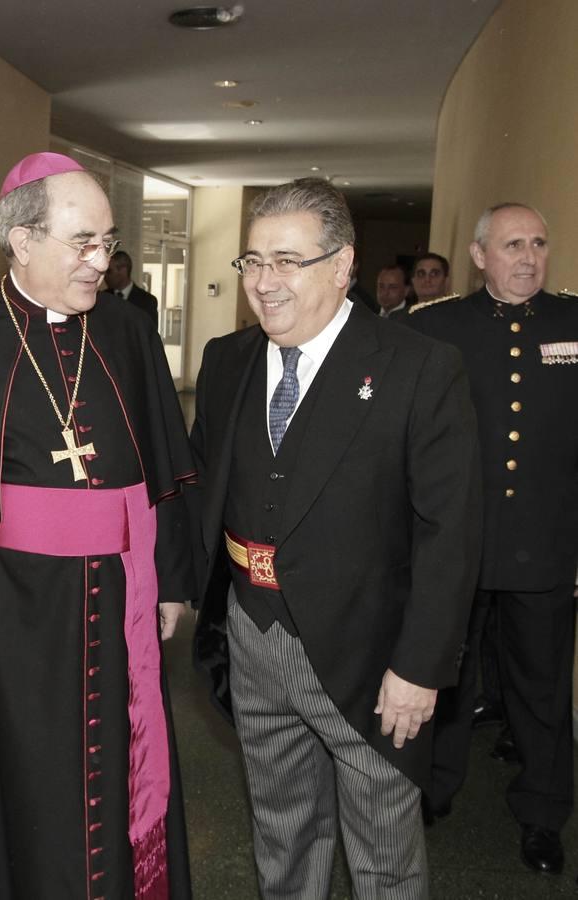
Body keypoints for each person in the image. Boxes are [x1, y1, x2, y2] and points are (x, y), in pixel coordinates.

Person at [0, 152, 195, 899]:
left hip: (120, 596)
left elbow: (163, 474)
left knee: (121, 756)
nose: (102, 262)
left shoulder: (129, 332)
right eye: (83, 243)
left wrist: (173, 581)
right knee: (19, 776)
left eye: (108, 242)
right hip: (6, 603)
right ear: (22, 242)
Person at [191, 178, 481, 898]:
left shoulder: (417, 368)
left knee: (382, 850)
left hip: (371, 658)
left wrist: (420, 668)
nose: (265, 283)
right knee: (283, 835)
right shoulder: (226, 362)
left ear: (343, 265)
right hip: (253, 639)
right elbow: (199, 493)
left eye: (288, 261)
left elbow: (451, 531)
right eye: (253, 262)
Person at [407, 203, 578, 876]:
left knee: (541, 687)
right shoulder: (438, 327)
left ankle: (542, 813)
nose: (529, 257)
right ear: (480, 256)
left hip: (547, 540)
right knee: (447, 675)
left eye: (538, 242)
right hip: (460, 543)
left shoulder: (574, 323)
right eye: (513, 245)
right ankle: (433, 789)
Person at [104, 248, 159, 326]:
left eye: (109, 271)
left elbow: (150, 335)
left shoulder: (147, 301)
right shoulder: (102, 297)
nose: (104, 276)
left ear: (123, 271)